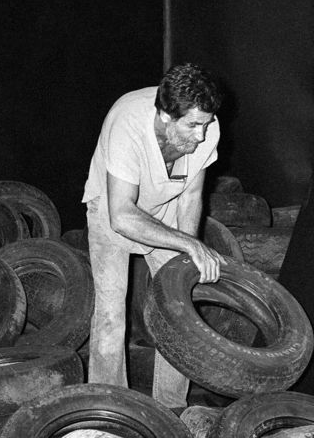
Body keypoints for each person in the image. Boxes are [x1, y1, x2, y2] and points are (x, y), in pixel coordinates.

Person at [81, 62, 225, 407]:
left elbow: (191, 196)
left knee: (178, 309)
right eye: (192, 125)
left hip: (166, 207)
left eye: (205, 124)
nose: (201, 135)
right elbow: (123, 216)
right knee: (111, 315)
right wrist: (190, 243)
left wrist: (182, 259)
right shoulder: (127, 124)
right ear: (164, 116)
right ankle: (108, 409)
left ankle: (171, 408)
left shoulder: (208, 128)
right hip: (113, 209)